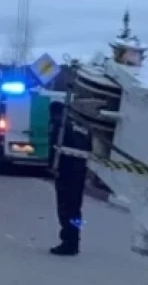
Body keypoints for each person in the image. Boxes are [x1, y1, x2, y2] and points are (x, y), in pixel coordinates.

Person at [48, 100, 91, 256]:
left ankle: (68, 242)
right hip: (79, 172)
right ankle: (75, 239)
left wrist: (52, 168)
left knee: (65, 209)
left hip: (66, 172)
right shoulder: (79, 125)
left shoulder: (59, 125)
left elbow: (55, 148)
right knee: (76, 209)